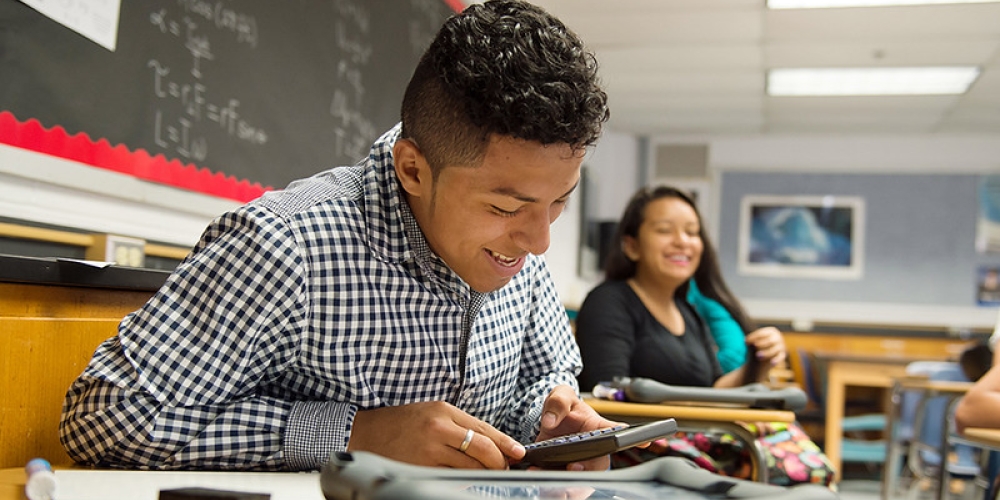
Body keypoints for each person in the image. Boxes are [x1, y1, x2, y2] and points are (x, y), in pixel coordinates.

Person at [59, 0, 614, 472]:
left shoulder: (517, 243)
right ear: (414, 170)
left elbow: (546, 370)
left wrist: (552, 418)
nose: (540, 241)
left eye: (560, 200)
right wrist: (354, 435)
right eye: (503, 206)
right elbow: (107, 417)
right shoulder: (284, 246)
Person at [574, 185, 834, 486]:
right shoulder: (609, 301)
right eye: (664, 230)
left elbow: (714, 390)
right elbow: (605, 394)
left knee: (812, 472)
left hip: (698, 436)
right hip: (642, 444)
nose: (682, 242)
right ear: (631, 246)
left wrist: (757, 364)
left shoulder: (688, 312)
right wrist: (695, 417)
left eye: (692, 232)